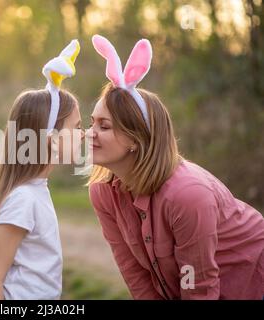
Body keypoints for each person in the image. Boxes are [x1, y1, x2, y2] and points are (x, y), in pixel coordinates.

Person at [87, 34, 264, 300]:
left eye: (104, 126)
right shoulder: (102, 193)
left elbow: (198, 287)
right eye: (92, 123)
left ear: (136, 138)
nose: (90, 133)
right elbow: (134, 273)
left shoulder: (187, 195)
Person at [0, 40, 84, 299]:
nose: (83, 135)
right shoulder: (23, 199)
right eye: (77, 127)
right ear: (52, 138)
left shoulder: (36, 190)